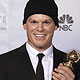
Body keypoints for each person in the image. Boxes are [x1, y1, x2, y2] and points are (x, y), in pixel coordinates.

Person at [0, 0, 80, 80]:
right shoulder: (3, 63)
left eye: (46, 22)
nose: (40, 29)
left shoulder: (75, 66)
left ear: (56, 26)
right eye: (34, 22)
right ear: (25, 26)